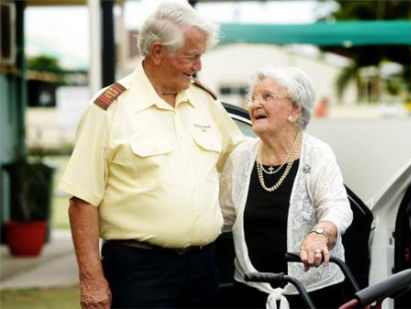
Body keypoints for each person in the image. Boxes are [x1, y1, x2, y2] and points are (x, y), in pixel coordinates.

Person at [59, 1, 244, 308]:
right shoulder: (109, 108)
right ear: (158, 51)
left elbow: (242, 160)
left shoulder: (204, 102)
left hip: (203, 268)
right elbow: (82, 201)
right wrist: (92, 280)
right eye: (191, 56)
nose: (198, 66)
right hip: (139, 272)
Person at [220, 66, 353, 309]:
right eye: (253, 98)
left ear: (294, 110)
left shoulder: (317, 154)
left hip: (313, 296)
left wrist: (319, 234)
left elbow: (337, 208)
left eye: (267, 97)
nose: (255, 104)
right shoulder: (240, 158)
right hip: (251, 293)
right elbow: (221, 217)